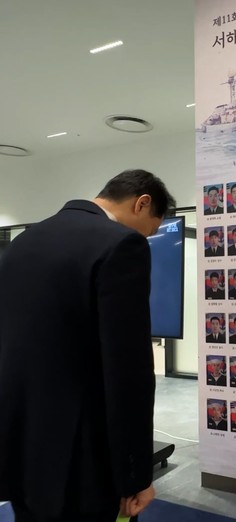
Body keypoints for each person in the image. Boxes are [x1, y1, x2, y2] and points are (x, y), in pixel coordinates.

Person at [1, 170, 175, 520]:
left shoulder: (24, 241)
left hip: (19, 446)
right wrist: (135, 475)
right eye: (151, 229)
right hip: (80, 459)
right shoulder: (121, 244)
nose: (146, 237)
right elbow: (128, 372)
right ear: (142, 204)